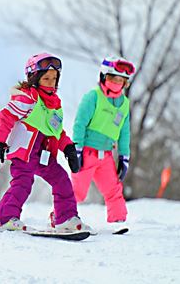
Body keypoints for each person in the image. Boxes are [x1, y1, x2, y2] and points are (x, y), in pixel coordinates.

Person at [0, 53, 91, 232]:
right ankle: (4, 219)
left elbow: (57, 131)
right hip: (25, 152)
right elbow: (6, 118)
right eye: (46, 78)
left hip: (44, 155)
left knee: (62, 180)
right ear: (35, 78)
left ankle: (65, 218)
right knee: (23, 183)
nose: (51, 82)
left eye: (54, 78)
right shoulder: (28, 98)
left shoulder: (54, 104)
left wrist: (68, 148)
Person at [71, 55, 135, 231]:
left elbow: (124, 133)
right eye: (113, 78)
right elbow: (79, 123)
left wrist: (124, 156)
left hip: (106, 155)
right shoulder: (93, 97)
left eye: (121, 80)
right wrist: (76, 149)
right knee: (78, 191)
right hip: (87, 153)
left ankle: (117, 221)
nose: (117, 83)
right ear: (103, 77)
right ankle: (62, 216)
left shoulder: (124, 104)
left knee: (113, 189)